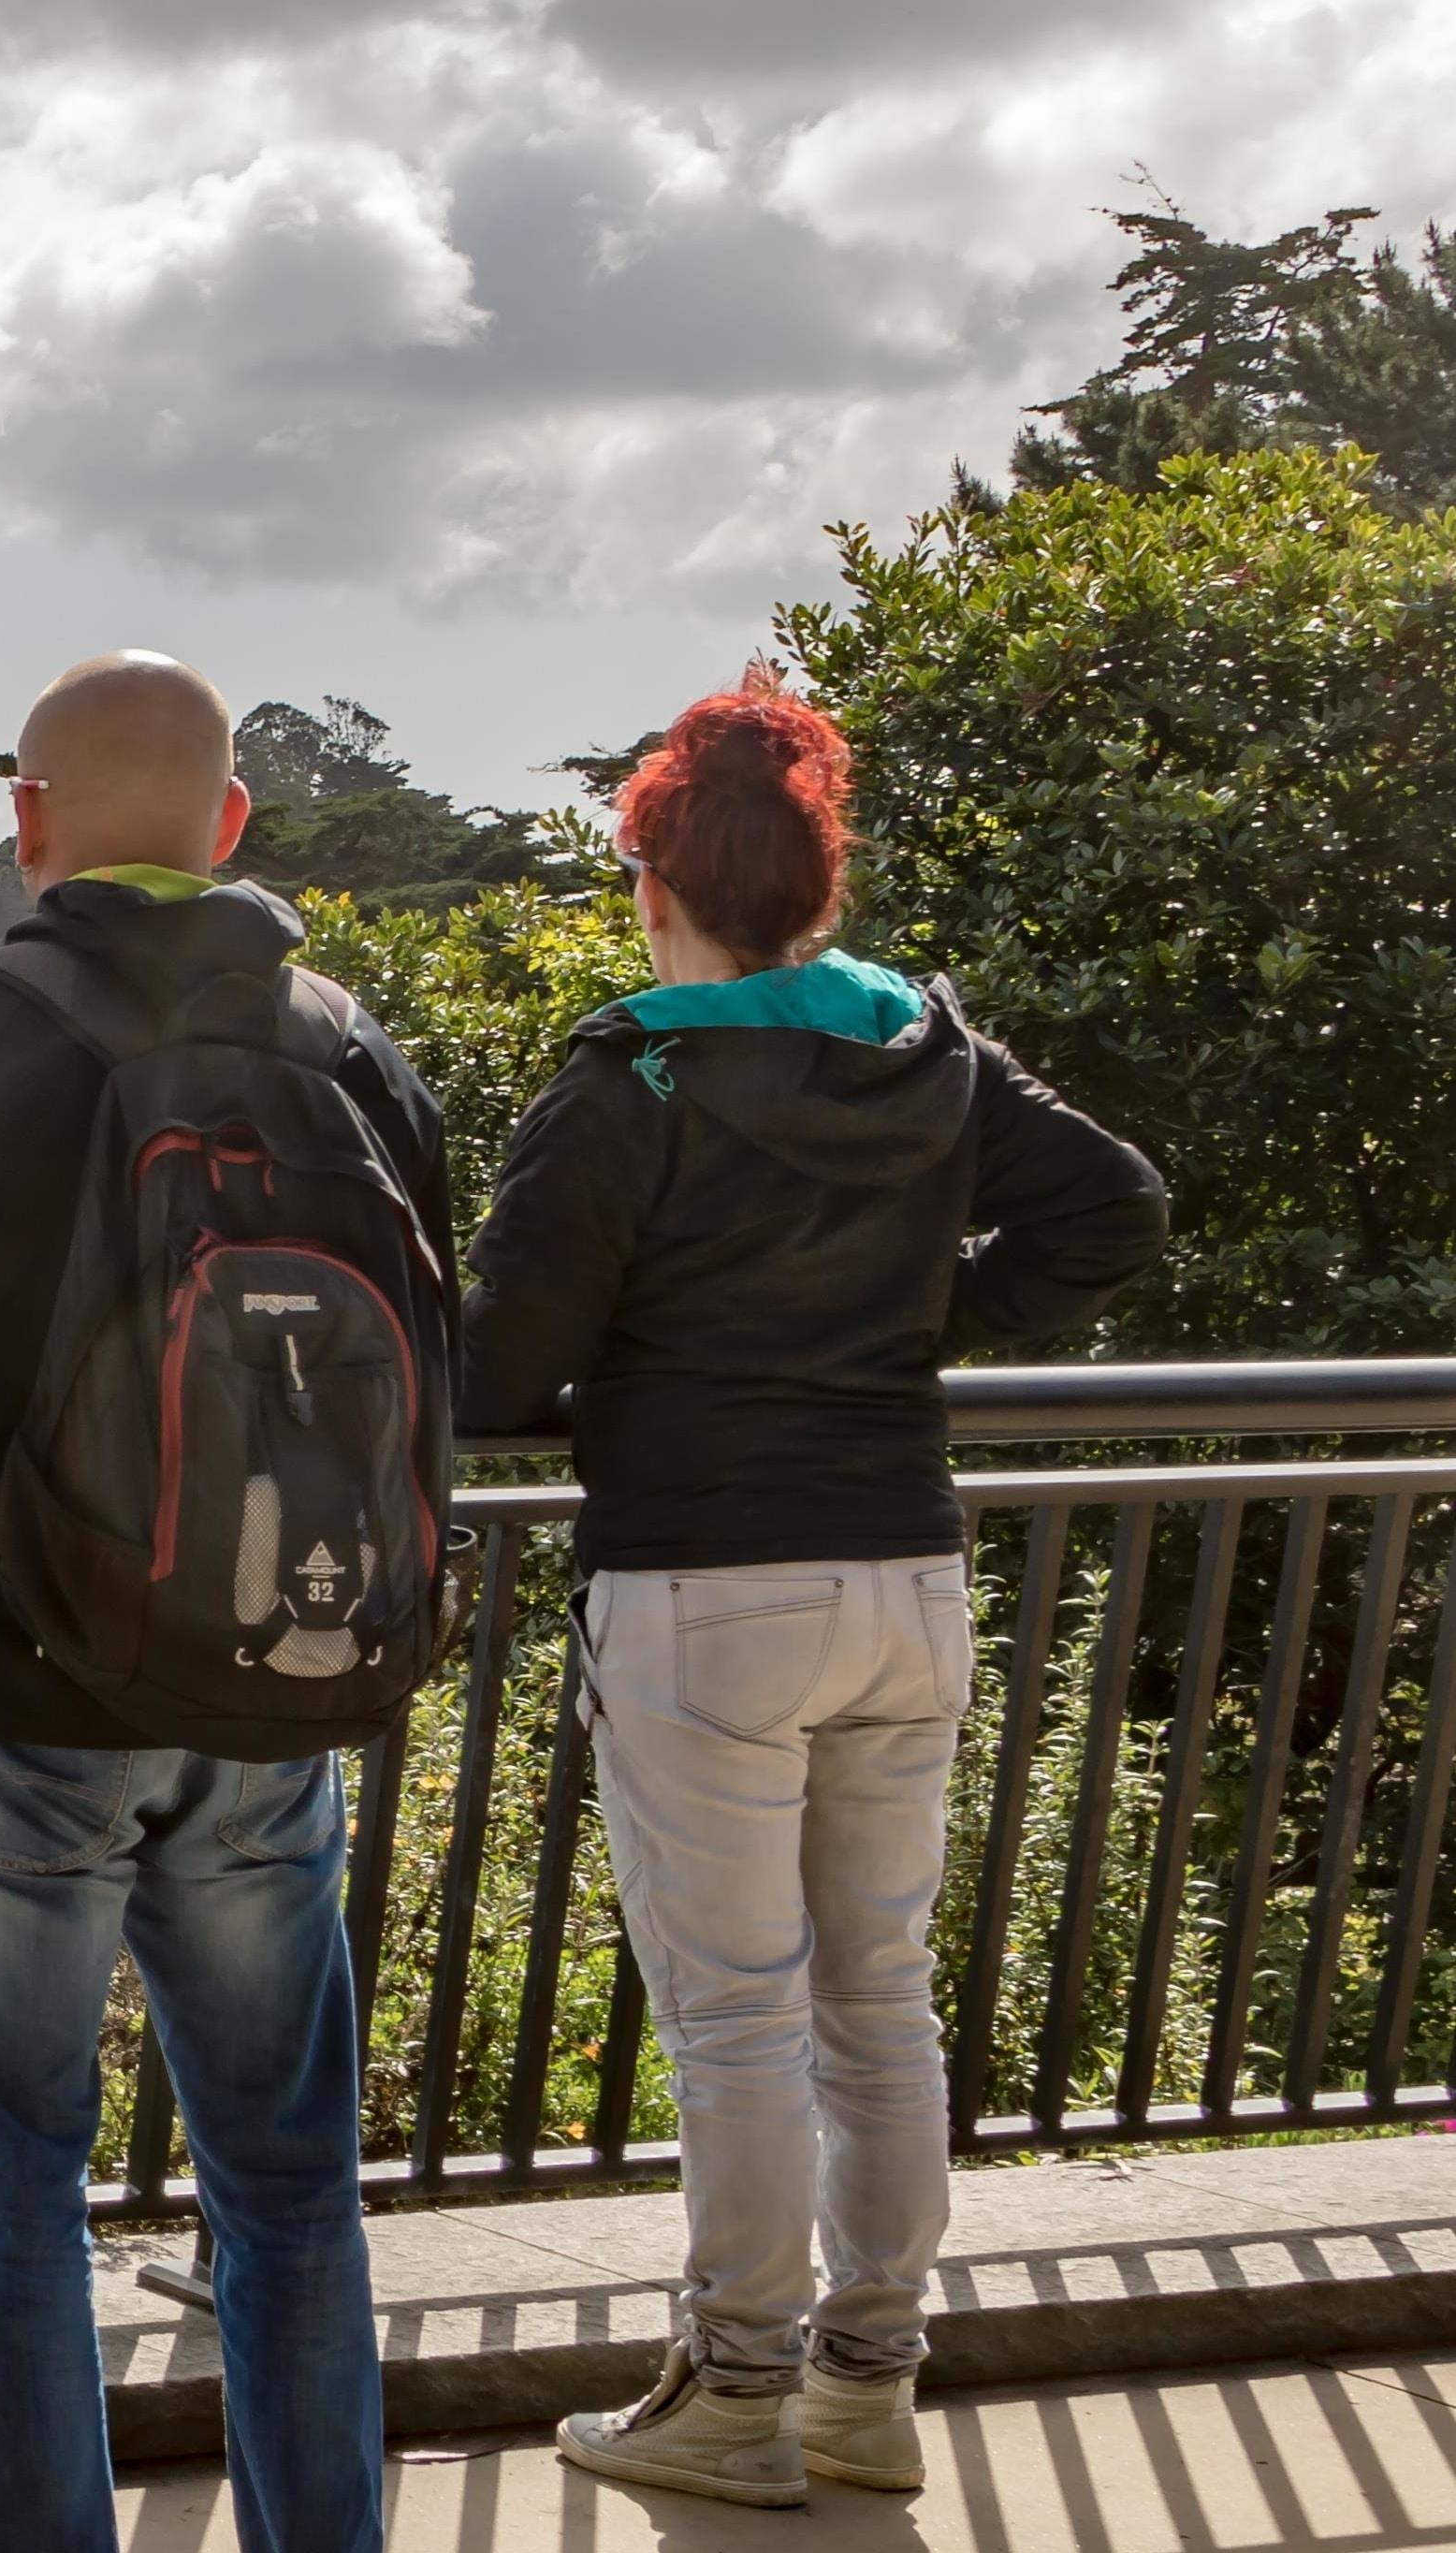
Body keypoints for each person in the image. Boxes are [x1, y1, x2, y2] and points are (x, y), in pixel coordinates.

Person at [0, 650, 444, 2553]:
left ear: (27, 819)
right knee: (290, 2183)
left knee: (7, 2176)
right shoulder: (342, 1045)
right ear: (231, 825)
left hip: (13, 1679)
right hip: (270, 1669)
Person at [462, 668, 1162, 2507]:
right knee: (879, 2000)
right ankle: (866, 2385)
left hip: (703, 1584)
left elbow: (490, 1370)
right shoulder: (921, 1047)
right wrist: (921, 1317)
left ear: (650, 880)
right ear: (819, 886)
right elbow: (1112, 1206)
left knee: (740, 2021)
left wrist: (633, 1363)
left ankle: (734, 2392)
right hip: (899, 1574)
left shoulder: (630, 1076)